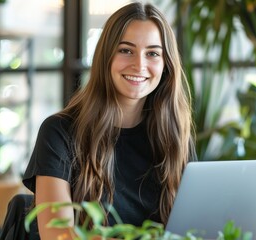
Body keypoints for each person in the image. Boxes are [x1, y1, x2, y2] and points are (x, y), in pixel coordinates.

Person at [22, 2, 197, 239]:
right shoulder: (59, 132)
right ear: (106, 56)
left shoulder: (176, 136)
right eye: (126, 50)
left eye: (153, 53)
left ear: (166, 65)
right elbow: (57, 234)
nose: (140, 65)